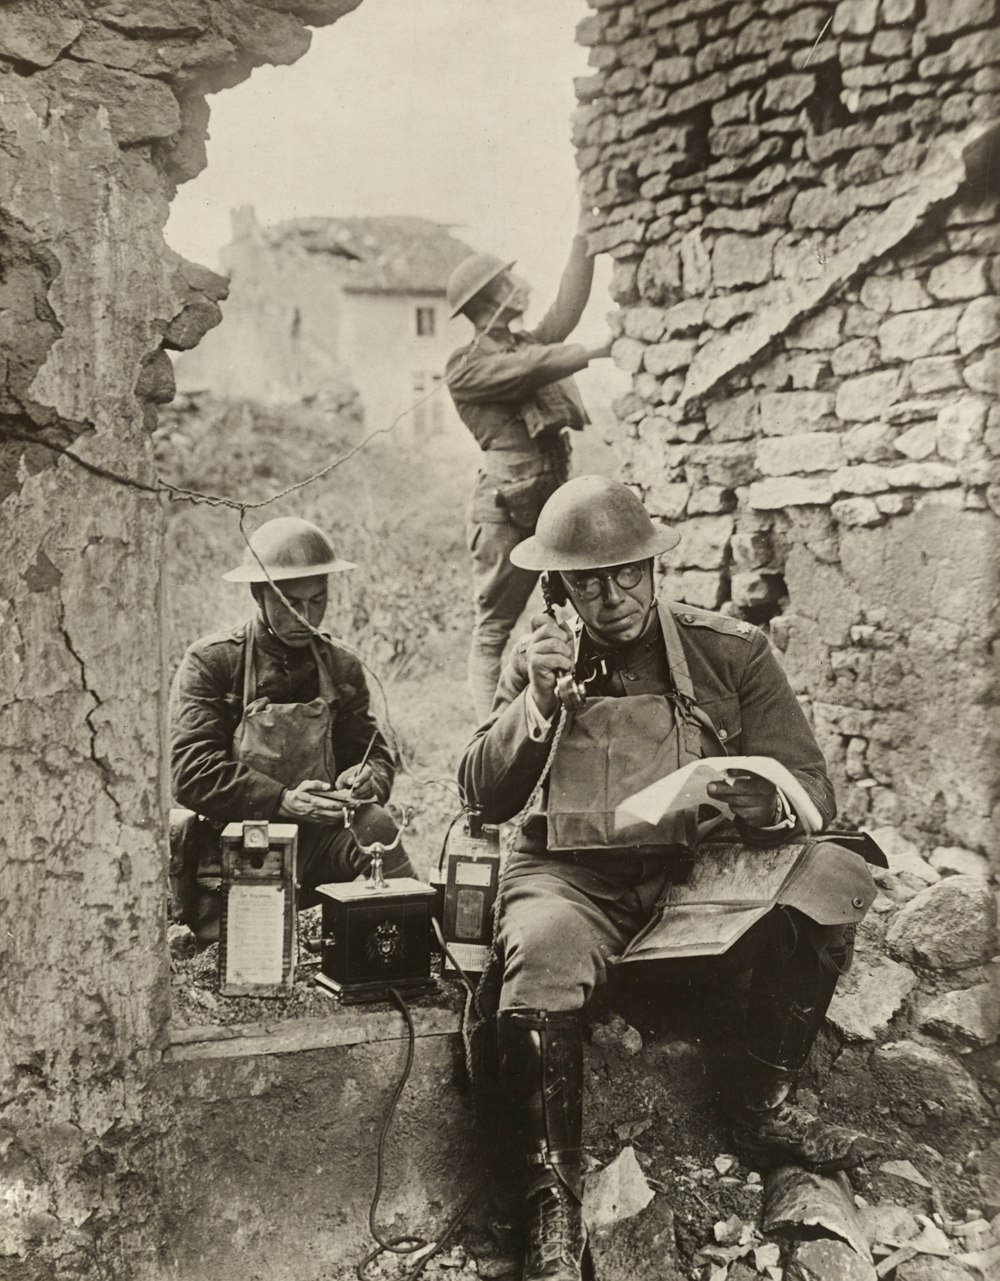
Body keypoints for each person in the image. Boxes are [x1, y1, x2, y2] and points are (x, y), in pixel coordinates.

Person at [457, 476, 879, 1281]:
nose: (612, 597)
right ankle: (550, 1196)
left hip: (700, 874)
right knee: (542, 948)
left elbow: (813, 789)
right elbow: (481, 794)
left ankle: (759, 1110)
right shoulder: (542, 661)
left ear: (654, 570)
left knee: (831, 877)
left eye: (627, 575)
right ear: (559, 586)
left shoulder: (731, 650)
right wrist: (537, 702)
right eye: (588, 581)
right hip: (572, 877)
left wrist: (769, 805)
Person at [170, 516, 413, 941]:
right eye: (290, 603)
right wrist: (282, 801)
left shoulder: (340, 665)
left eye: (317, 600)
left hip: (319, 846)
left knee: (375, 825)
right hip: (238, 848)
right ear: (257, 594)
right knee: (249, 950)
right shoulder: (213, 663)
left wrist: (365, 778)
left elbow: (373, 752)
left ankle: (415, 940)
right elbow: (192, 772)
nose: (305, 616)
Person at [445, 218, 613, 721]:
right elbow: (530, 369)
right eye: (507, 282)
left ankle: (554, 710)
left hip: (546, 500)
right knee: (494, 627)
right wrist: (596, 350)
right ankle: (489, 732)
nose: (520, 286)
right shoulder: (466, 365)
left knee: (571, 604)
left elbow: (565, 309)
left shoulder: (524, 343)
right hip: (502, 511)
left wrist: (582, 238)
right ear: (487, 299)